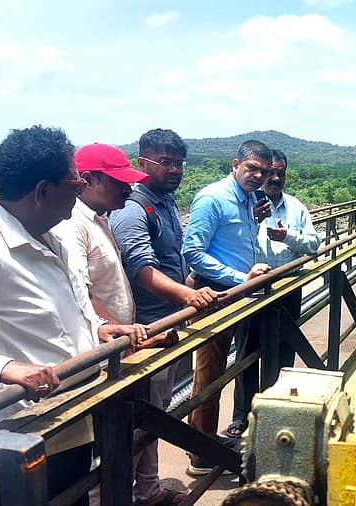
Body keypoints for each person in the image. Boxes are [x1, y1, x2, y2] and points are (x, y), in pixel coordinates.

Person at [0, 126, 146, 505]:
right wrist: (5, 368)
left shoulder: (53, 237)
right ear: (44, 190)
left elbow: (66, 312)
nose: (81, 189)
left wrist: (99, 329)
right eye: (75, 182)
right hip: (17, 431)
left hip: (71, 419)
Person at [51, 142, 185, 505]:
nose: (128, 188)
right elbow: (80, 289)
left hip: (120, 345)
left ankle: (141, 492)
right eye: (119, 182)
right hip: (103, 351)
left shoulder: (102, 217)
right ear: (89, 179)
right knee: (110, 437)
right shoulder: (73, 225)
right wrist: (117, 331)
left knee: (135, 426)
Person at [110, 129, 219, 494]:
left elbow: (175, 256)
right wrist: (188, 294)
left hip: (167, 321)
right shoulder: (132, 208)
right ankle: (124, 493)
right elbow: (142, 268)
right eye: (165, 163)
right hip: (145, 327)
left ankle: (148, 489)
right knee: (142, 415)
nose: (174, 170)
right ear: (142, 162)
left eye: (178, 163)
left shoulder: (166, 201)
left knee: (154, 411)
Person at [181, 140, 273, 475]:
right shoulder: (213, 198)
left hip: (235, 293)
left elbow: (236, 242)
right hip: (214, 294)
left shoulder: (249, 199)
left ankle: (203, 441)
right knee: (209, 372)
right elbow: (193, 252)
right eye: (252, 168)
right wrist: (240, 278)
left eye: (263, 171)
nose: (258, 175)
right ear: (235, 165)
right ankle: (201, 452)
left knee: (219, 369)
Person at [231, 149, 321, 436]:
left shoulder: (296, 209)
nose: (276, 177)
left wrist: (288, 236)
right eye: (270, 172)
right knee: (246, 354)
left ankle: (275, 411)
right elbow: (230, 245)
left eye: (280, 172)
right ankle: (242, 417)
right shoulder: (244, 206)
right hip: (251, 291)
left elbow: (314, 245)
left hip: (286, 289)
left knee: (284, 351)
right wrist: (252, 222)